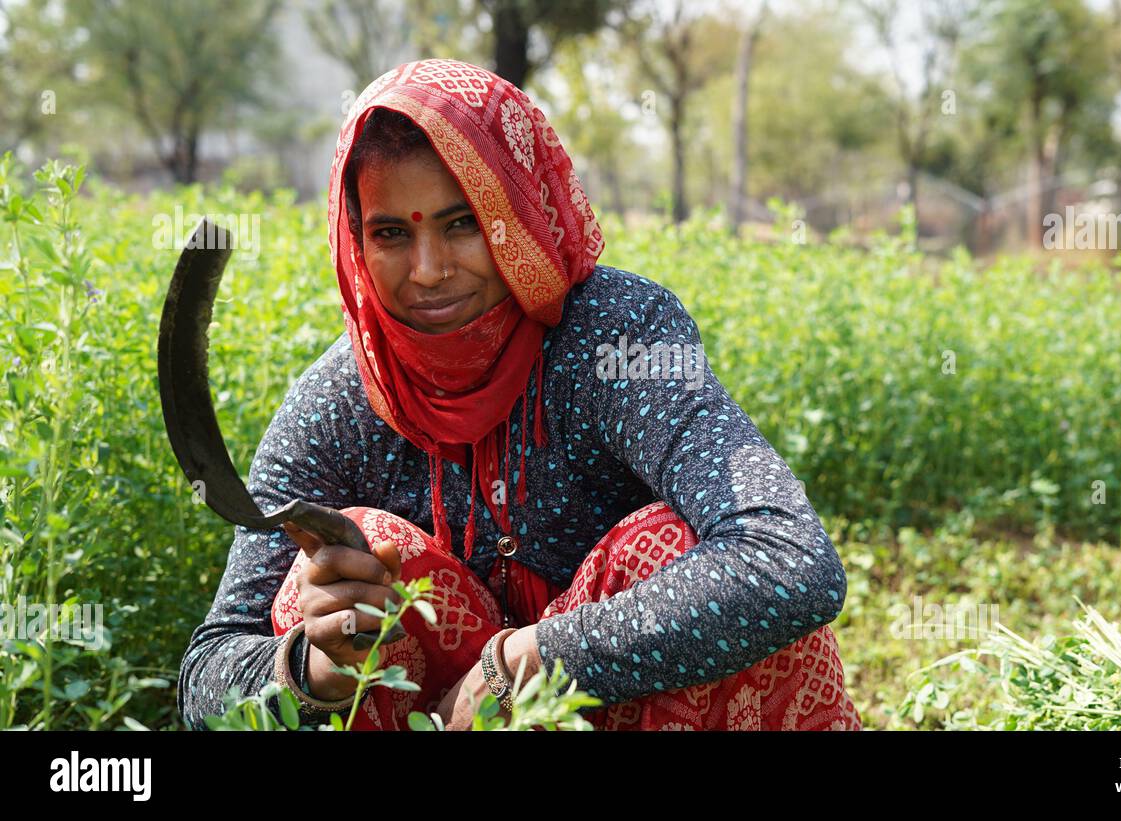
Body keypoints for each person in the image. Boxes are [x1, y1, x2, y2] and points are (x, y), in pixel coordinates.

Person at [177, 58, 861, 731]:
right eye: (391, 233)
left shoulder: (617, 341)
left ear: (520, 212)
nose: (429, 270)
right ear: (355, 240)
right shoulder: (339, 403)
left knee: (665, 544)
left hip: (616, 710)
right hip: (434, 720)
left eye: (462, 223)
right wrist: (311, 668)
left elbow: (788, 558)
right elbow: (207, 671)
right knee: (344, 566)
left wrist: (529, 661)